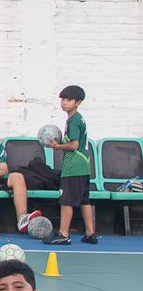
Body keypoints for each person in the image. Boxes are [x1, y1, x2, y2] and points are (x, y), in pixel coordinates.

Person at [49, 85, 98, 245]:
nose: (64, 102)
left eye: (68, 100)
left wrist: (57, 146)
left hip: (74, 166)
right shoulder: (78, 118)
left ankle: (63, 234)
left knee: (66, 200)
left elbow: (74, 145)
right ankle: (90, 233)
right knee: (84, 200)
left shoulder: (73, 120)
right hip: (84, 165)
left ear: (77, 102)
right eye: (62, 99)